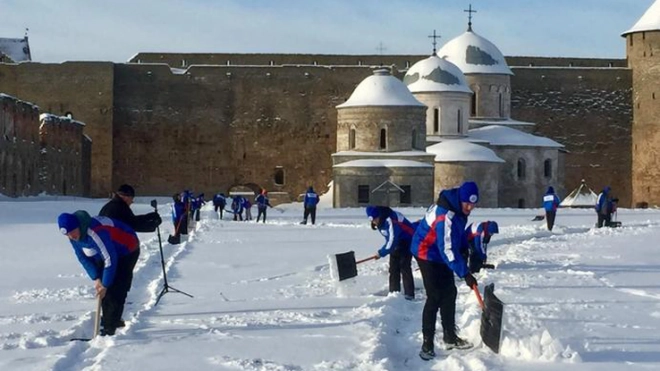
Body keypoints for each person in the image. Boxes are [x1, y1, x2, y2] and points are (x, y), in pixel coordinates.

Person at [411, 181, 480, 360]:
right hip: (426, 252)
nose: (470, 207)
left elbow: (455, 236)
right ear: (461, 199)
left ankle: (450, 337)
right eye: (467, 203)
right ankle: (427, 344)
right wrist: (465, 273)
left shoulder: (458, 207)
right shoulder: (446, 215)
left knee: (450, 292)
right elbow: (446, 249)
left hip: (439, 250)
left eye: (473, 204)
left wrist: (464, 247)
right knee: (434, 297)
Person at [58, 210, 140, 336]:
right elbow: (83, 258)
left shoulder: (96, 232)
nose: (71, 236)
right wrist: (96, 278)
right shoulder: (73, 235)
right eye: (67, 234)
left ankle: (111, 326)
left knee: (116, 286)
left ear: (78, 227)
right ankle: (109, 319)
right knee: (104, 285)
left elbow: (110, 259)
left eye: (72, 232)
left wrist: (105, 285)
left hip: (127, 248)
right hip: (105, 252)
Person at [366, 205, 417, 300]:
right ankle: (394, 294)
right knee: (393, 269)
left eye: (375, 219)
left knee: (404, 267)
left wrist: (381, 252)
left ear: (379, 215)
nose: (374, 222)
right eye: (372, 220)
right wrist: (384, 250)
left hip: (407, 240)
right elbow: (389, 239)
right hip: (396, 243)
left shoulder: (390, 219)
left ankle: (409, 295)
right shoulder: (379, 222)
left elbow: (392, 239)